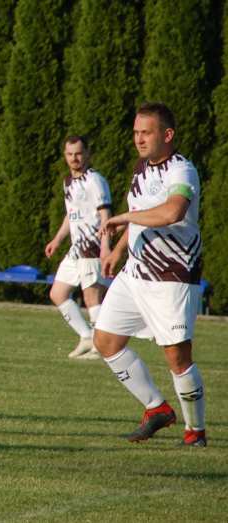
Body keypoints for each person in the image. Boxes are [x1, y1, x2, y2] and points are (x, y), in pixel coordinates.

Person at [95, 102, 206, 447]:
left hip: (172, 277)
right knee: (106, 341)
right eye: (136, 133)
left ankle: (195, 432)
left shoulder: (182, 172)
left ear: (167, 135)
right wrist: (117, 250)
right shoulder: (141, 168)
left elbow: (172, 211)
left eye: (146, 132)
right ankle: (157, 408)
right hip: (135, 273)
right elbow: (140, 212)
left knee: (177, 357)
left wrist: (124, 219)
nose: (139, 140)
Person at [44, 136, 111, 359]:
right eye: (70, 154)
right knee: (57, 293)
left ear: (87, 154)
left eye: (79, 153)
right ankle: (86, 336)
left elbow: (105, 215)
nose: (75, 158)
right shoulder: (68, 182)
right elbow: (70, 215)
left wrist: (106, 247)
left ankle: (102, 346)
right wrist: (57, 240)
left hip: (91, 247)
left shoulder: (95, 180)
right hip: (76, 249)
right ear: (65, 156)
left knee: (92, 298)